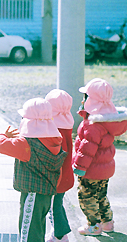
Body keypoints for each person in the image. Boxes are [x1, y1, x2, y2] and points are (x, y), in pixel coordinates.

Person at [0, 98, 67, 242]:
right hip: (46, 194)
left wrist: (3, 135)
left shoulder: (26, 144)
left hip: (32, 194)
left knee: (28, 233)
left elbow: (1, 146)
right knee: (38, 230)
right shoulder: (54, 141)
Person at [72, 78, 127, 236]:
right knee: (101, 195)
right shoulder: (107, 121)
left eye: (85, 97)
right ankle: (107, 223)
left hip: (91, 170)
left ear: (91, 101)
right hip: (104, 170)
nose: (82, 100)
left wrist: (79, 168)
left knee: (86, 197)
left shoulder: (92, 125)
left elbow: (87, 150)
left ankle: (93, 226)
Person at [45, 89, 75, 242]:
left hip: (56, 176)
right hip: (66, 174)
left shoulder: (53, 127)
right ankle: (58, 233)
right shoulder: (67, 121)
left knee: (53, 207)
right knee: (57, 204)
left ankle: (60, 236)